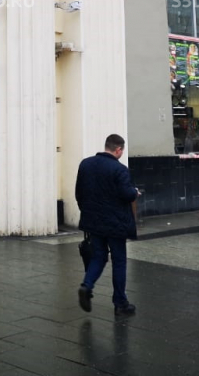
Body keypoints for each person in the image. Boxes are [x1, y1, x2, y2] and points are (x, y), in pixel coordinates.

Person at [75, 134, 140, 317]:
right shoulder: (120, 169)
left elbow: (79, 193)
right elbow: (127, 194)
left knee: (99, 256)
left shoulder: (85, 164)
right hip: (115, 224)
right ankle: (120, 303)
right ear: (118, 149)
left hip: (94, 222)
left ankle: (86, 286)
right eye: (122, 151)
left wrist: (87, 212)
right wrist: (135, 192)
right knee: (119, 261)